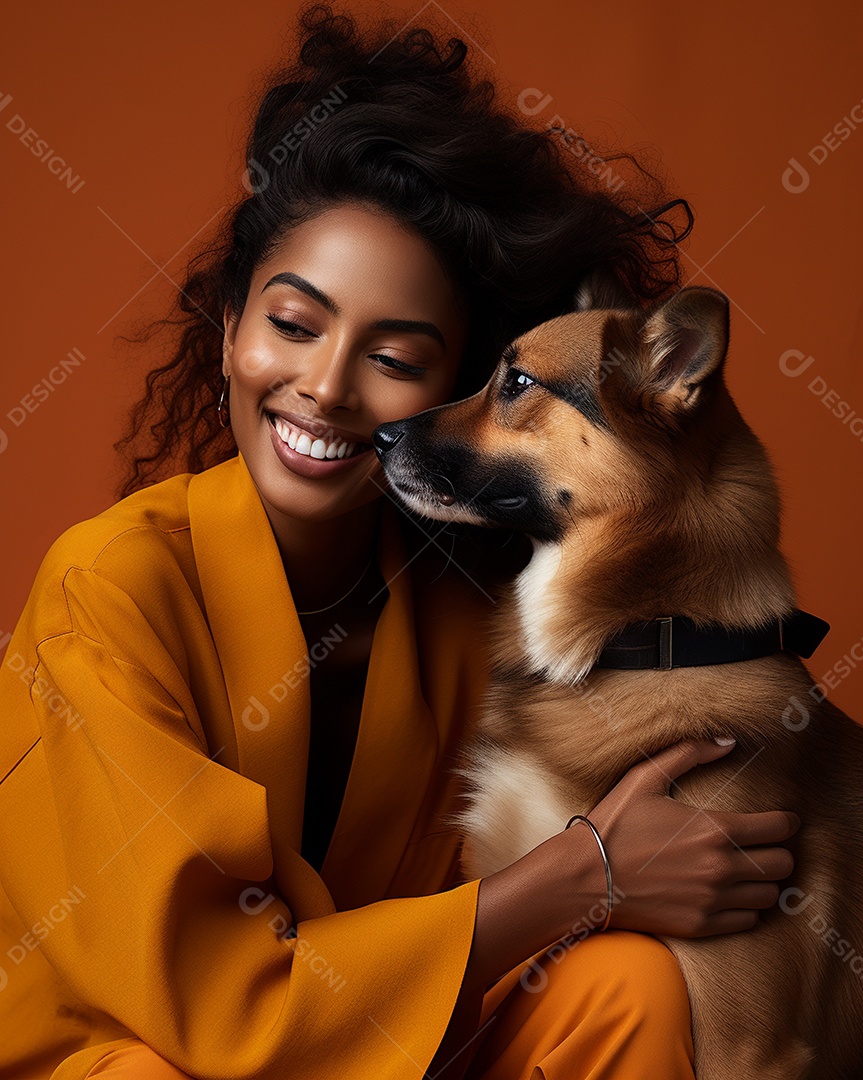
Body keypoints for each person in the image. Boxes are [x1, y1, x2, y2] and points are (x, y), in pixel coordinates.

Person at [0, 5, 800, 1079]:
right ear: (231, 328)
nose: (326, 388)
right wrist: (588, 871)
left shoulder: (468, 609)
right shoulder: (109, 591)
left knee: (627, 989)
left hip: (383, 1050)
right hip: (152, 1057)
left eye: (397, 355)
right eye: (293, 324)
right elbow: (217, 1008)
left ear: (455, 393)